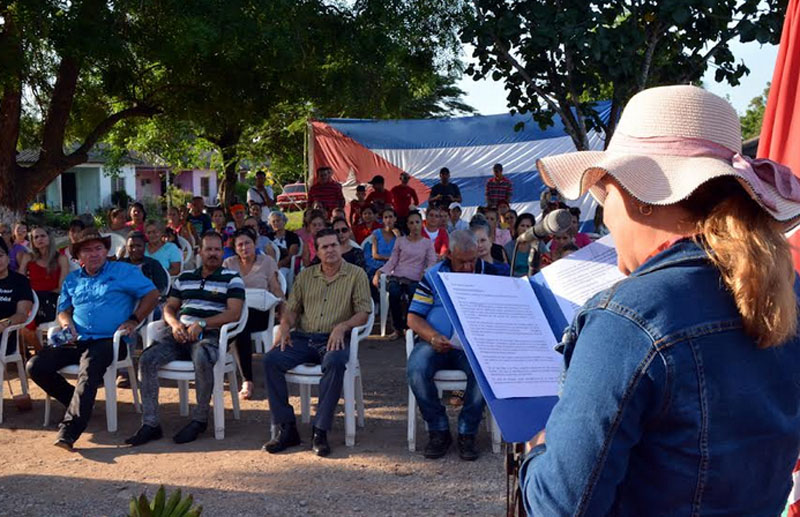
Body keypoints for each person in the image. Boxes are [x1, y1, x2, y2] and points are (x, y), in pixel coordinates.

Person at [518, 85, 800, 515]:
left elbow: (560, 506)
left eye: (605, 197)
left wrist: (538, 449)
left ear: (639, 196)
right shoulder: (787, 289)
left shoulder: (628, 318)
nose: (607, 216)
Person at [26, 229, 159, 450]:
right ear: (78, 256)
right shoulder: (73, 278)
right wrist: (66, 323)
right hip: (77, 339)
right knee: (36, 365)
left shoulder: (123, 271)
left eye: (99, 248)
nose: (94, 254)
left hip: (111, 341)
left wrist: (134, 320)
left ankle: (69, 431)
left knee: (88, 370)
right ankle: (77, 400)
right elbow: (63, 309)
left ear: (106, 251)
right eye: (87, 250)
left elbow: (152, 294)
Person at [125, 231, 244, 446]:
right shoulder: (185, 278)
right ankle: (150, 423)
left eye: (218, 249)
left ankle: (199, 419)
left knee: (201, 356)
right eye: (209, 249)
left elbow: (234, 313)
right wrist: (175, 323)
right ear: (200, 252)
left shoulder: (232, 279)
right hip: (178, 335)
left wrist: (204, 324)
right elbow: (169, 307)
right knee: (147, 359)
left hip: (208, 334)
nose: (213, 254)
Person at [263, 227, 371, 457]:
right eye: (325, 246)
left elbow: (364, 312)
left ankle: (320, 430)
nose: (330, 250)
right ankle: (286, 428)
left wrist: (343, 327)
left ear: (341, 246)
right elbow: (292, 310)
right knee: (271, 359)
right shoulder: (305, 276)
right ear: (317, 251)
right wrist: (284, 325)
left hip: (334, 338)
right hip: (304, 338)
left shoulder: (356, 274)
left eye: (334, 245)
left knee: (334, 362)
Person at [406, 230, 503, 461]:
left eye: (472, 260)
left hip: (471, 347)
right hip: (435, 342)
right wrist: (432, 336)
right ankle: (438, 429)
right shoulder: (433, 276)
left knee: (483, 372)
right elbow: (413, 318)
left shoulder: (488, 274)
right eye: (462, 261)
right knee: (416, 369)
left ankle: (467, 432)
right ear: (449, 255)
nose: (469, 267)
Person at [223, 228, 283, 400]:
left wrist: (283, 306)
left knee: (240, 326)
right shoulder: (229, 264)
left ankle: (247, 380)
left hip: (260, 314)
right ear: (235, 248)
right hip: (236, 312)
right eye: (240, 245)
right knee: (238, 323)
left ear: (255, 243)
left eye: (247, 243)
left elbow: (276, 288)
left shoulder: (267, 262)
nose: (244, 247)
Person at [374, 210, 436, 338]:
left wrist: (424, 274)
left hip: (416, 278)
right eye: (411, 223)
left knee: (414, 293)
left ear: (421, 224)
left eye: (417, 222)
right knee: (394, 293)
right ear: (407, 225)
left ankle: (410, 328)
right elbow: (393, 261)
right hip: (398, 276)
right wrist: (379, 272)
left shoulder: (427, 243)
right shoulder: (400, 241)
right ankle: (397, 328)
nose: (414, 226)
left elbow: (431, 263)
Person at [19, 227, 70, 341]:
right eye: (35, 237)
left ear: (49, 238)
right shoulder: (28, 257)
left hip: (51, 299)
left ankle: (41, 352)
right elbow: (20, 281)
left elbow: (62, 287)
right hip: (31, 299)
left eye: (42, 236)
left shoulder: (61, 258)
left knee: (26, 327)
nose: (39, 239)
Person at [0, 237, 34, 361]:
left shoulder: (20, 281)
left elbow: (22, 314)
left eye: (0, 255)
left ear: (8, 257)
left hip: (6, 335)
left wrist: (4, 323)